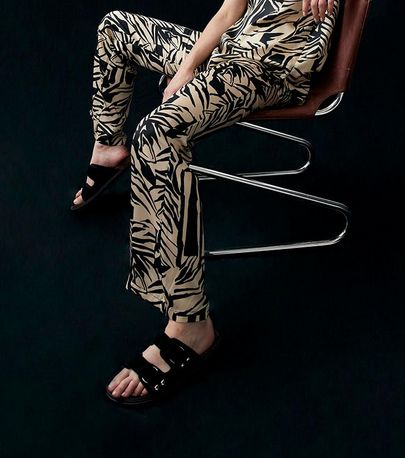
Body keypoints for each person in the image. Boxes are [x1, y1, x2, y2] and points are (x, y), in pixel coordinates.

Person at [70, 0, 340, 406]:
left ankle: (190, 322)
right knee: (117, 29)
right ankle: (108, 148)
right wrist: (189, 67)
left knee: (157, 135)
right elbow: (230, 12)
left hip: (272, 68)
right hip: (230, 52)